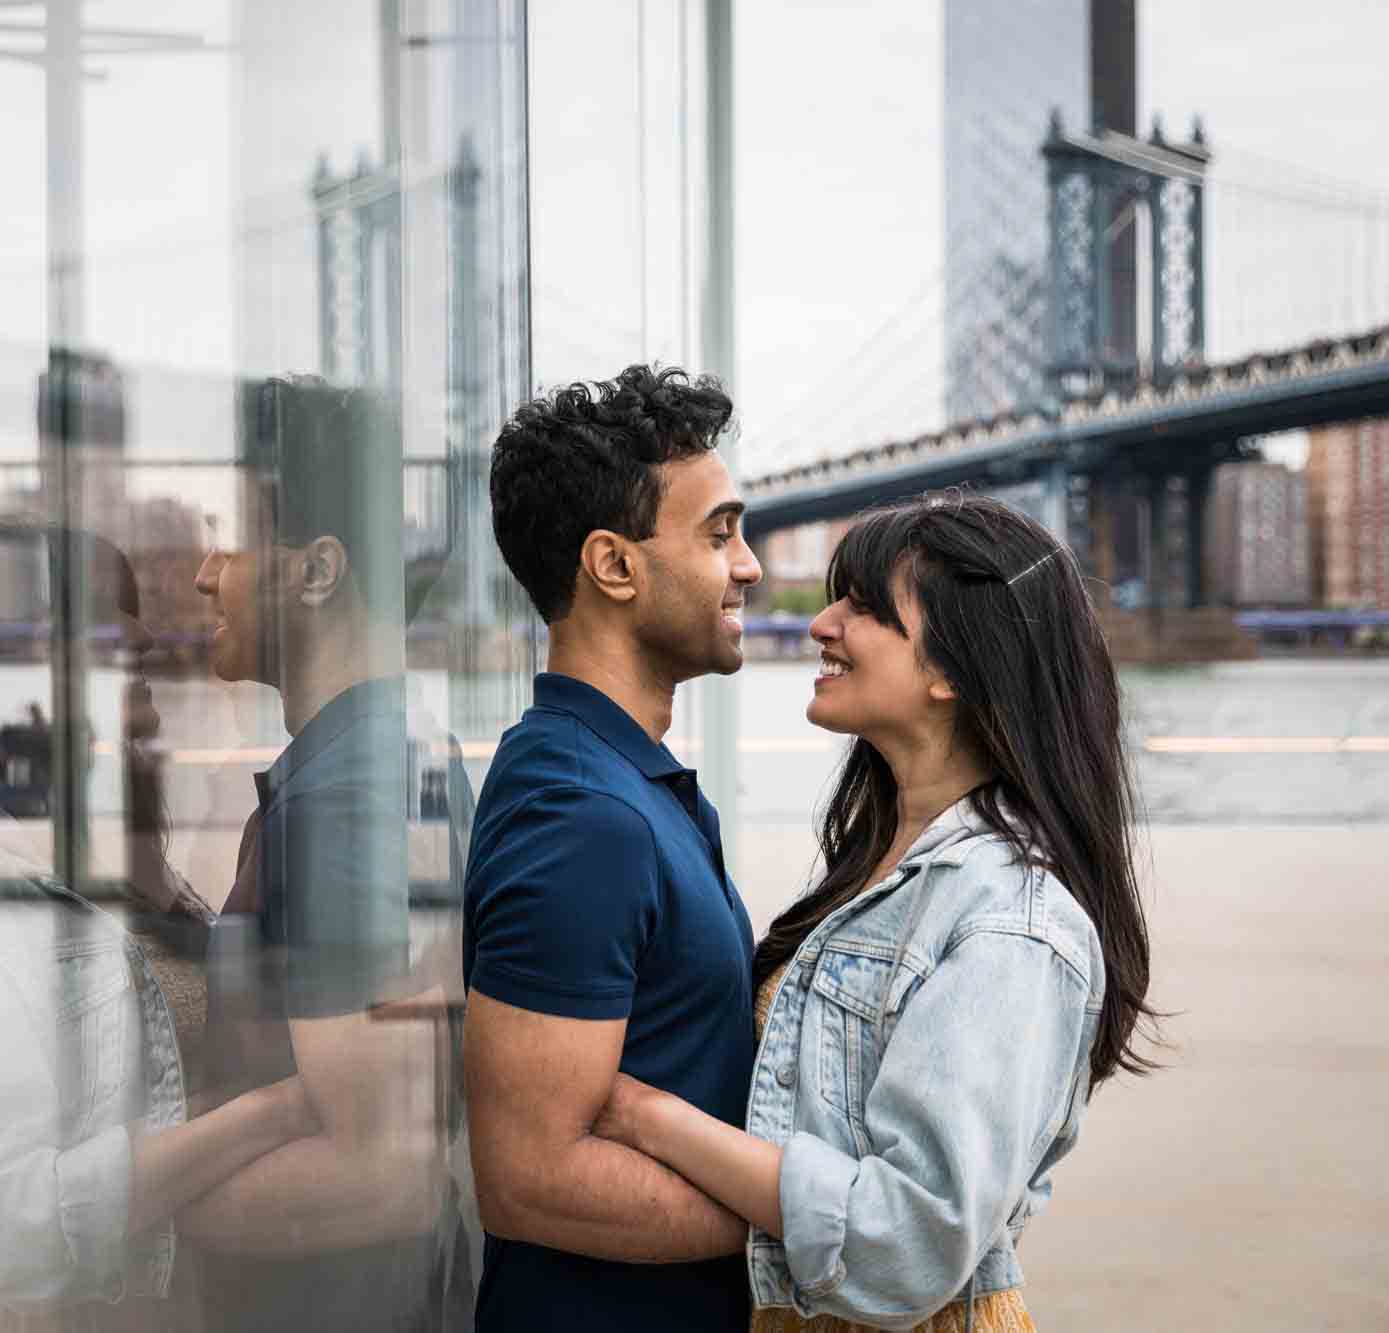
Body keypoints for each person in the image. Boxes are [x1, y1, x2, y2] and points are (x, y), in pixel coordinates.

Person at [589, 493, 1160, 1331]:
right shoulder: (881, 861)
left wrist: (648, 1116)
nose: (822, 623)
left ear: (951, 669)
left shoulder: (1010, 917)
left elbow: (908, 1241)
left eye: (863, 607)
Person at [0, 525, 305, 1333]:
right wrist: (276, 1109)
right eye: (112, 642)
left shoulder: (125, 864)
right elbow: (9, 1221)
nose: (142, 652)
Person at [461, 364, 764, 1331]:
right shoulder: (582, 816)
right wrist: (810, 1219)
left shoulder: (618, 782)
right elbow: (529, 1179)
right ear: (615, 566)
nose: (749, 564)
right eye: (720, 533)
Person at [182, 375, 467, 1331]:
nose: (202, 572)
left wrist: (118, 1212)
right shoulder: (388, 753)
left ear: (316, 571)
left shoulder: (345, 801)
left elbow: (380, 1174)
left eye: (229, 535)